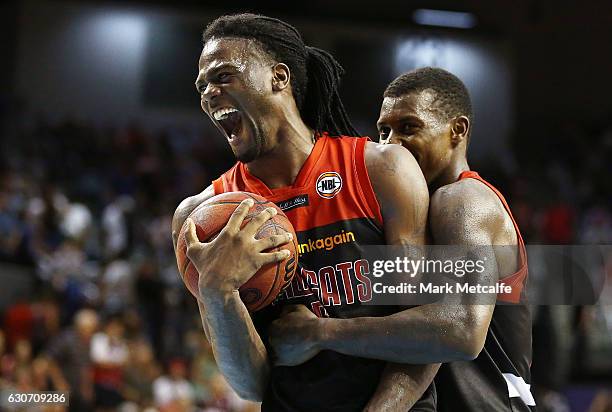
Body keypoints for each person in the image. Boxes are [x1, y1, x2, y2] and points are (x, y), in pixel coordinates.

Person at [172, 13, 437, 411]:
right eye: (202, 85)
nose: (208, 93)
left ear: (279, 77)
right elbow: (249, 384)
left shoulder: (381, 169)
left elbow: (429, 328)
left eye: (223, 76)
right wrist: (217, 291)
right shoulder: (202, 218)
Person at [376, 67, 534, 411]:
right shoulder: (419, 212)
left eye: (408, 128)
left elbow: (459, 333)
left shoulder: (461, 200)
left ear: (457, 130)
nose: (390, 144)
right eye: (383, 130)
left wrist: (320, 332)